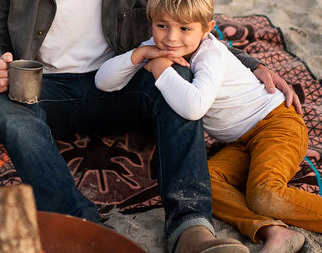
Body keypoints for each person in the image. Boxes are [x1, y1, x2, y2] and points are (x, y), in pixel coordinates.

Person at [0, 0, 301, 252]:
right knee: (4, 106)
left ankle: (190, 226)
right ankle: (81, 227)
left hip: (123, 81)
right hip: (45, 86)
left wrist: (248, 63)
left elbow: (185, 24)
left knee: (178, 74)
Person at [95, 0, 321, 252]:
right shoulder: (153, 46)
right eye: (162, 26)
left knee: (265, 194)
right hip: (240, 141)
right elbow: (103, 82)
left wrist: (160, 69)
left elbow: (194, 108)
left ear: (207, 29)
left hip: (277, 125)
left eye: (184, 29)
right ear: (151, 23)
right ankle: (273, 230)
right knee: (206, 183)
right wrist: (139, 55)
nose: (171, 38)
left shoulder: (210, 53)